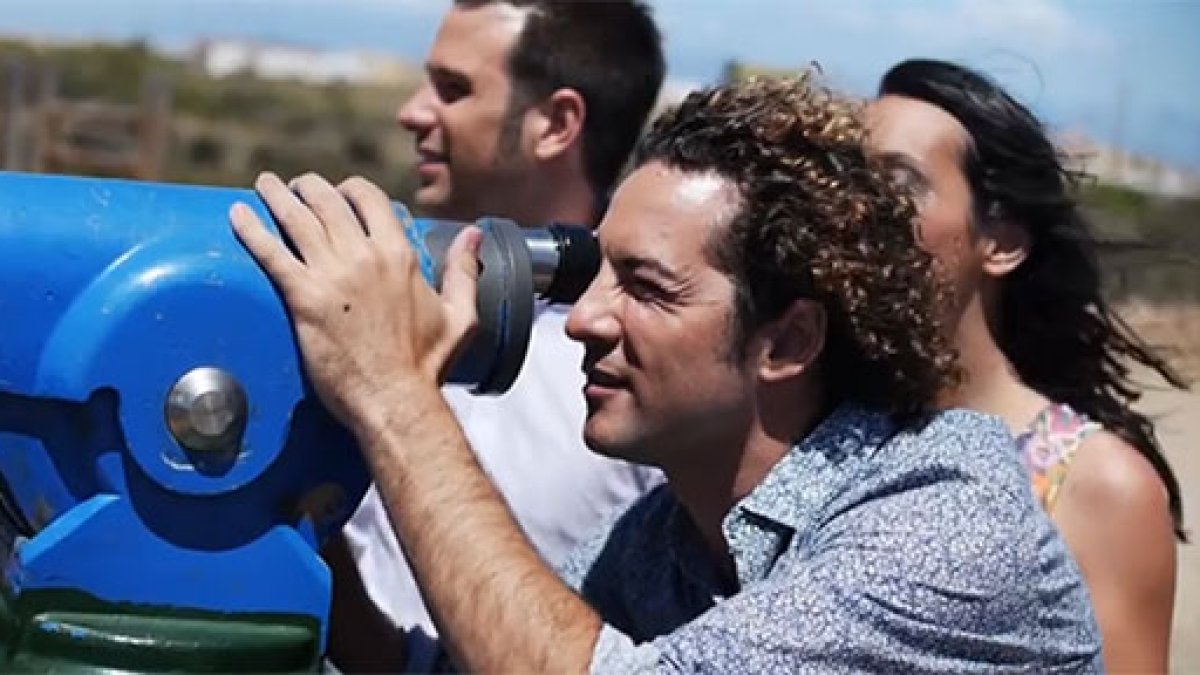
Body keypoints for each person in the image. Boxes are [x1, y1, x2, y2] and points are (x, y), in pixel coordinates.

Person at [232, 74, 1103, 672]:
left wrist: (394, 391)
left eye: (645, 287)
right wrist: (303, 500)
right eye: (596, 274)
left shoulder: (939, 516)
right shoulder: (667, 538)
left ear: (789, 340)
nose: (584, 318)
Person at [324, 0, 665, 670]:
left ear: (556, 124)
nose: (412, 112)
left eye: (453, 89)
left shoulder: (645, 372)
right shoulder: (373, 294)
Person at [866, 58, 1186, 673]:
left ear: (1002, 242)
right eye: (847, 178)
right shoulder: (808, 421)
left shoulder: (1094, 486)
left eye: (898, 183)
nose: (856, 208)